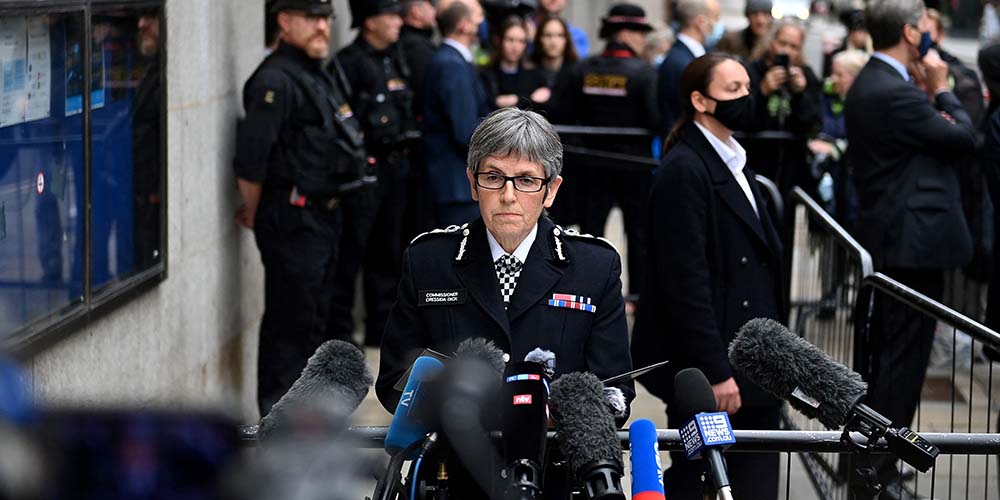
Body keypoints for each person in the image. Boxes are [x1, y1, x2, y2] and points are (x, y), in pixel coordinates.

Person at [377, 107, 634, 499]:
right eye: (494, 177)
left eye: (526, 180)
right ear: (472, 183)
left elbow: (615, 391)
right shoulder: (429, 260)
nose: (508, 196)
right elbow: (395, 380)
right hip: (451, 476)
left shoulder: (593, 267)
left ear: (551, 190)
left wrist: (547, 415)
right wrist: (466, 406)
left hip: (555, 477)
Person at [632, 53, 784, 500]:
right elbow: (685, 282)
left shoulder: (731, 158)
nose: (745, 98)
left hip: (751, 359)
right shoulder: (685, 169)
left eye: (747, 87)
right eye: (732, 89)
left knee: (749, 477)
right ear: (700, 100)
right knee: (701, 478)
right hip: (716, 367)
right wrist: (715, 373)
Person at [846, 1, 976, 497]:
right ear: (908, 31)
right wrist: (942, 88)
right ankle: (879, 467)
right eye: (923, 25)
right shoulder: (892, 88)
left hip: (901, 237)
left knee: (896, 355)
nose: (928, 34)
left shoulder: (883, 82)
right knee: (901, 360)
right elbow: (963, 136)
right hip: (909, 244)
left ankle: (877, 462)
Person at [233, 0, 367, 417]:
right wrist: (255, 211)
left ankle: (309, 425)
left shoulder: (315, 73)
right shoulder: (274, 80)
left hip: (324, 217)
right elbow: (251, 162)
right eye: (312, 18)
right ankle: (277, 426)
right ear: (284, 21)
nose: (323, 27)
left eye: (326, 18)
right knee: (290, 332)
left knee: (315, 326)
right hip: (292, 219)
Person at [553, 2, 659, 307]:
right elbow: (655, 119)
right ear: (625, 33)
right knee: (638, 233)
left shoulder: (582, 69)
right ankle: (636, 297)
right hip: (634, 167)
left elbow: (562, 114)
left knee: (590, 233)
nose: (643, 39)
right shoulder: (644, 73)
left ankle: (588, 292)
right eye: (640, 32)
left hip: (591, 165)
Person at [330, 0, 419, 348]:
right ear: (369, 21)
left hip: (396, 169)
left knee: (389, 251)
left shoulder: (394, 58)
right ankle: (340, 335)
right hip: (364, 172)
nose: (399, 21)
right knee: (350, 255)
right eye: (391, 15)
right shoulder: (348, 63)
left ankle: (380, 331)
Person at [423, 0, 489, 226]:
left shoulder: (453, 60)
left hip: (453, 180)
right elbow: (465, 129)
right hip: (455, 182)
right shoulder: (451, 64)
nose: (481, 22)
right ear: (463, 24)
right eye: (476, 17)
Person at [746, 20, 822, 191]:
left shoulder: (806, 75)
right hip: (756, 160)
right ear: (771, 41)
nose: (786, 51)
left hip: (792, 167)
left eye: (794, 47)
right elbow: (743, 118)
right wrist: (763, 91)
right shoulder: (751, 71)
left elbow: (813, 124)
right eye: (782, 43)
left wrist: (800, 94)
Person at [808, 49, 868, 226]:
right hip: (834, 177)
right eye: (832, 73)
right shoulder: (826, 96)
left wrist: (834, 148)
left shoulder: (866, 105)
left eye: (840, 75)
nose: (833, 79)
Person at [658, 0, 721, 134]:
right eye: (715, 17)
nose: (716, 24)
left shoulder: (690, 56)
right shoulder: (680, 61)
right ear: (701, 22)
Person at [133, 11, 162, 272]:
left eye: (151, 16)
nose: (141, 23)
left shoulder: (166, 76)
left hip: (155, 201)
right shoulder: (154, 69)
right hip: (142, 197)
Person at [480, 16, 548, 110]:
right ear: (500, 41)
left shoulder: (534, 75)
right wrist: (528, 98)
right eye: (510, 40)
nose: (515, 46)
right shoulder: (487, 74)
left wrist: (515, 99)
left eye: (521, 41)